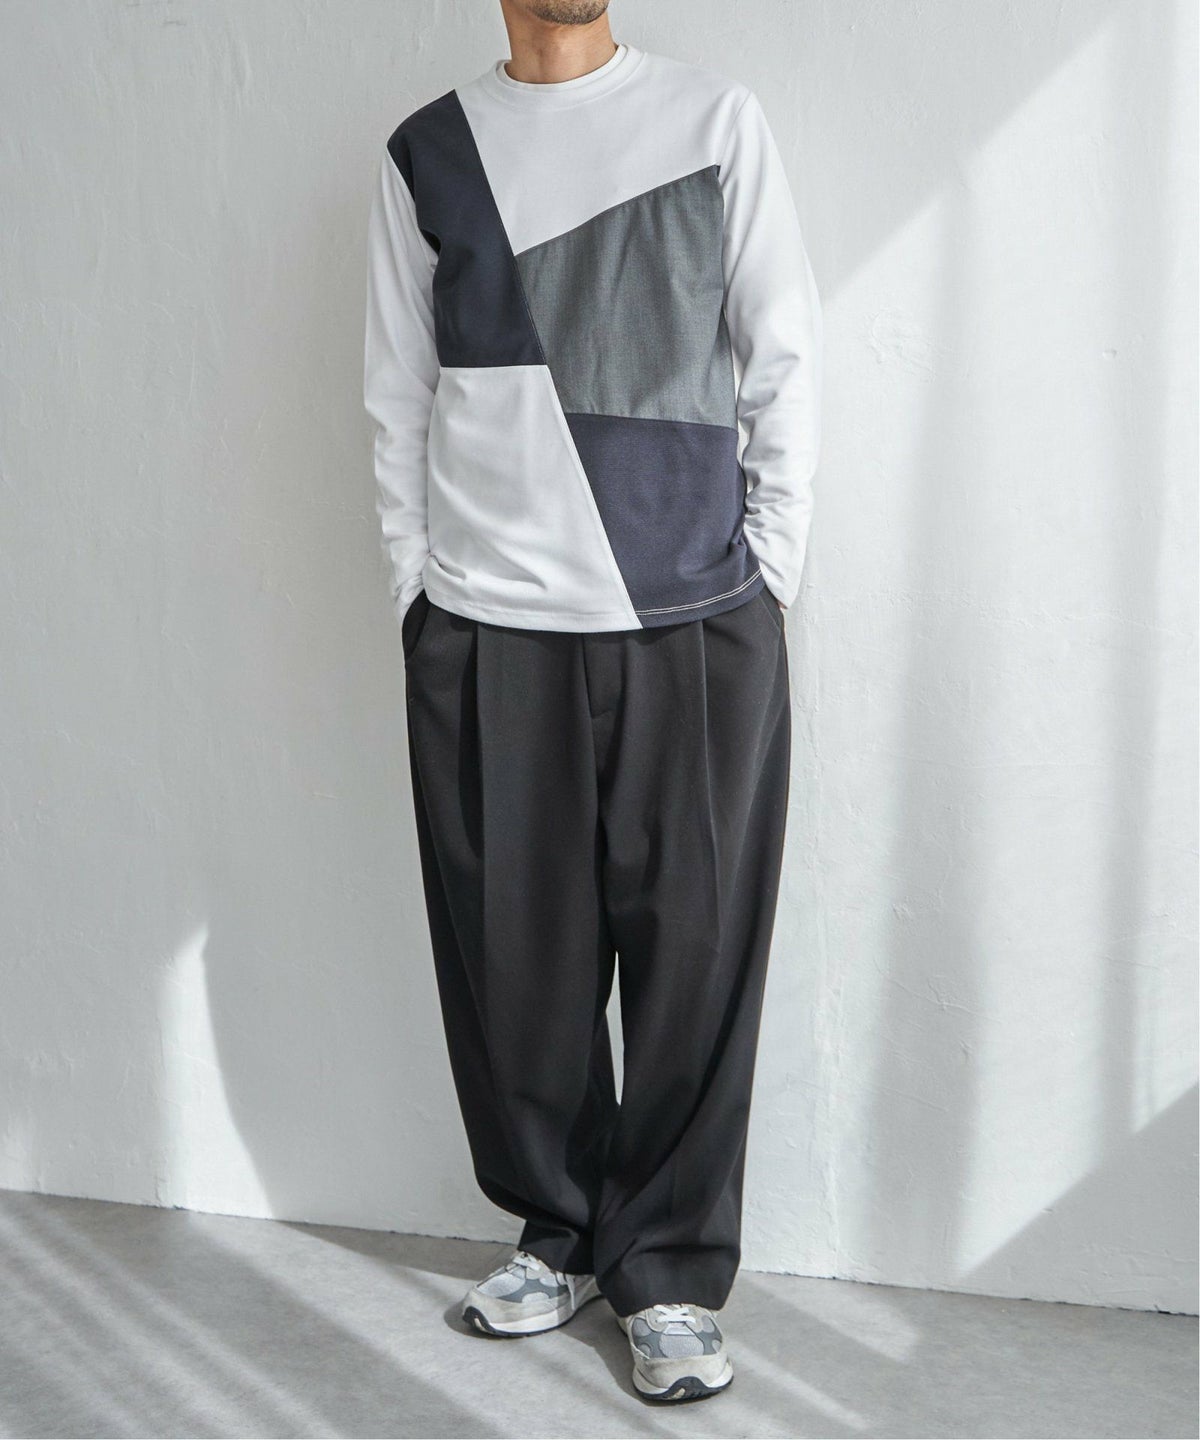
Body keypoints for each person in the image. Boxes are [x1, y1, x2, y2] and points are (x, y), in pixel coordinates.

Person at [362, 0, 822, 1405]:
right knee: (515, 965)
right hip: (488, 625)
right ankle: (556, 1233)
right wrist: (419, 596)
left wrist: (769, 578)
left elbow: (785, 355)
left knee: (696, 960)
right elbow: (395, 393)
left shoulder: (712, 123)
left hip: (693, 617)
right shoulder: (428, 153)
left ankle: (668, 1271)